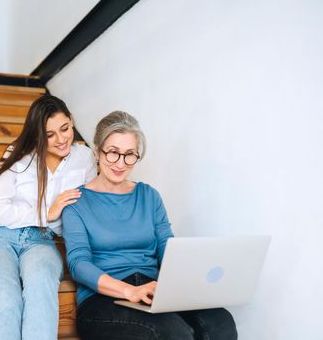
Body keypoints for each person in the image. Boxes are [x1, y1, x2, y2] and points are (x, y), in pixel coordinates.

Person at [62, 111, 237, 340]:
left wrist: (187, 286)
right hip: (102, 299)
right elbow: (78, 264)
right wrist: (128, 290)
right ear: (97, 150)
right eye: (113, 153)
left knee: (220, 323)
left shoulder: (149, 196)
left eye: (130, 155)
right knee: (172, 333)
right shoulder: (76, 203)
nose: (121, 163)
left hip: (152, 289)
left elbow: (167, 247)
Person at [0, 95, 97, 340]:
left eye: (65, 129)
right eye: (50, 135)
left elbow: (86, 209)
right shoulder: (18, 155)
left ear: (71, 121)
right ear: (38, 134)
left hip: (41, 241)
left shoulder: (85, 158)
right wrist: (46, 213)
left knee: (41, 289)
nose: (61, 140)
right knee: (6, 299)